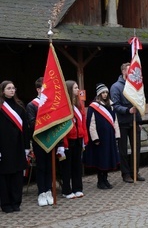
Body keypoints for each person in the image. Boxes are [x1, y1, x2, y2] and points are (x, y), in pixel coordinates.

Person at [110, 62, 145, 183]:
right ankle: (125, 174)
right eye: (129, 70)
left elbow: (139, 103)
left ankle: (135, 171)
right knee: (123, 150)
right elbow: (115, 105)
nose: (132, 73)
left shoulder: (136, 86)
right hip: (122, 122)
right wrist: (127, 110)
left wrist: (139, 121)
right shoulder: (116, 87)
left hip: (134, 122)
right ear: (123, 71)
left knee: (136, 148)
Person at [83, 83, 120, 190]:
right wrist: (95, 138)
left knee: (108, 158)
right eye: (102, 93)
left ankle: (106, 179)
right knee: (101, 159)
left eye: (106, 93)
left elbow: (115, 121)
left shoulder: (111, 106)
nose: (105, 95)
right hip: (100, 138)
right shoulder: (93, 107)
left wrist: (117, 135)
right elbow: (91, 124)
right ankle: (100, 181)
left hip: (110, 137)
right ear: (99, 94)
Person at [0, 80, 29, 213]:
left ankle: (16, 202)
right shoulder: (1, 107)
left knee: (17, 175)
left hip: (18, 146)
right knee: (5, 177)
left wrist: (27, 147)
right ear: (3, 90)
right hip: (4, 147)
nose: (12, 90)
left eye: (13, 88)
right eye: (9, 88)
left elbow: (25, 128)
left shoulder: (20, 106)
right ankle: (5, 204)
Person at [26, 77, 54, 206]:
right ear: (38, 89)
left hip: (51, 138)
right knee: (41, 166)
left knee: (49, 166)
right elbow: (31, 123)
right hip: (39, 140)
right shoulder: (32, 105)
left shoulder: (50, 103)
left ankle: (48, 189)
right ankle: (41, 192)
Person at [59, 80, 89, 199]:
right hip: (68, 139)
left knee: (77, 165)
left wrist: (84, 138)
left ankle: (78, 188)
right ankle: (66, 190)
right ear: (69, 89)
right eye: (75, 88)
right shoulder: (63, 104)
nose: (78, 90)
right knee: (67, 166)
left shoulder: (79, 103)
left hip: (78, 138)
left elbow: (83, 121)